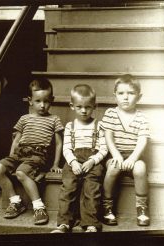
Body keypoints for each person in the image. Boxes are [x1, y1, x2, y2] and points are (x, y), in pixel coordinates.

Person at [0, 78, 64, 225]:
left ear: (52, 100)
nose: (43, 105)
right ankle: (15, 202)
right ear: (30, 100)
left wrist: (55, 164)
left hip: (38, 155)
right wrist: (12, 156)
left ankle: (39, 207)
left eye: (46, 101)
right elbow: (16, 140)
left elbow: (58, 143)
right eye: (38, 101)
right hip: (19, 154)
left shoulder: (54, 119)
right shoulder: (24, 119)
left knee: (21, 172)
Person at [51, 84, 108, 233]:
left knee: (91, 189)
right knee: (68, 188)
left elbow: (104, 149)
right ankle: (64, 223)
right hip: (73, 161)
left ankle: (91, 224)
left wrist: (92, 161)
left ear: (94, 106)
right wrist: (73, 162)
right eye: (79, 107)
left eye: (88, 107)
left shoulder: (99, 125)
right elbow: (66, 148)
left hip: (93, 162)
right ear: (72, 106)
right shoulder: (70, 126)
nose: (83, 110)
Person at [101, 74, 150, 226]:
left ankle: (142, 207)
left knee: (140, 168)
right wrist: (116, 155)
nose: (126, 97)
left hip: (133, 156)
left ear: (139, 97)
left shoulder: (142, 118)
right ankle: (107, 206)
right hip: (115, 154)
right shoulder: (111, 113)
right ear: (115, 95)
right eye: (121, 93)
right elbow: (108, 137)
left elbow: (143, 140)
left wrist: (133, 159)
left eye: (131, 93)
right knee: (113, 168)